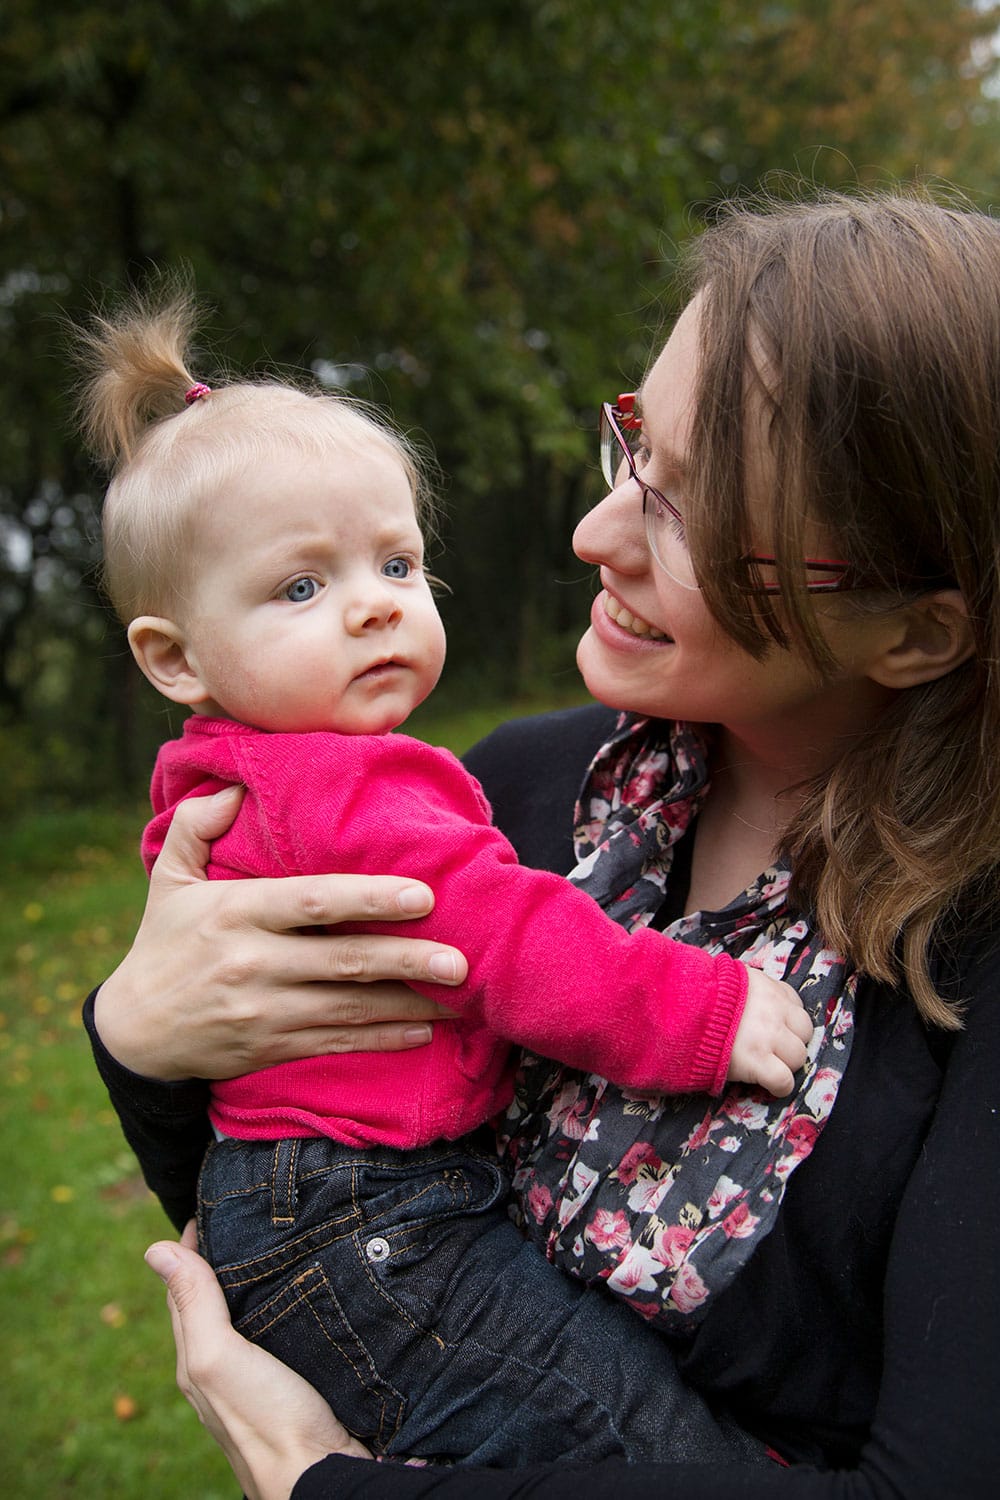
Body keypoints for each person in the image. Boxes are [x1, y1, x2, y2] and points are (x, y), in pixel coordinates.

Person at [87, 188, 1000, 1498]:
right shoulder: (526, 781)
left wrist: (325, 1485)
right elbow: (275, 1147)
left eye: (696, 512)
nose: (597, 531)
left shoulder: (973, 950)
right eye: (635, 446)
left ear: (917, 631)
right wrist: (138, 1035)